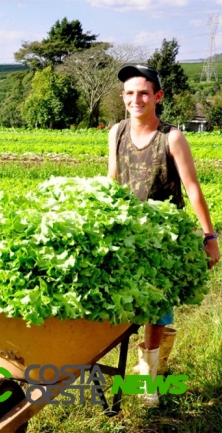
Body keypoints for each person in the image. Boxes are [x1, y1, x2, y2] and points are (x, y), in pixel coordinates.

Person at [108, 64, 219, 406]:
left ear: (157, 96)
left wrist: (209, 237)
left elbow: (192, 189)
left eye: (143, 92)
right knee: (121, 302)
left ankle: (148, 380)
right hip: (126, 233)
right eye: (129, 93)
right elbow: (113, 178)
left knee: (157, 310)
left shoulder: (171, 137)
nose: (135, 99)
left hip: (162, 237)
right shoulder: (116, 132)